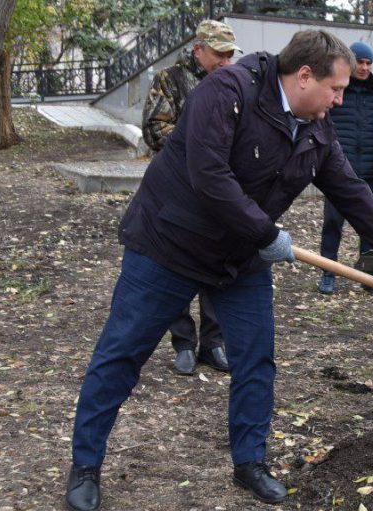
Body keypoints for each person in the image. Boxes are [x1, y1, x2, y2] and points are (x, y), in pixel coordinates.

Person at [64, 30, 373, 511]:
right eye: (335, 89)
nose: (340, 99)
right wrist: (263, 231)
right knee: (123, 353)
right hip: (169, 244)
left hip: (239, 259)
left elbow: (351, 189)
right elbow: (208, 175)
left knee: (255, 359)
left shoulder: (316, 126)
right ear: (303, 77)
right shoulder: (227, 91)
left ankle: (249, 463)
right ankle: (85, 465)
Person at [141, 19, 239, 375]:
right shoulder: (170, 79)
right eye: (219, 53)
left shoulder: (234, 82)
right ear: (198, 49)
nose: (226, 61)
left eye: (231, 54)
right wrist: (200, 150)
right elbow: (154, 128)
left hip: (218, 190)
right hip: (178, 188)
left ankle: (214, 344)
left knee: (215, 265)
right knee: (176, 264)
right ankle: (183, 342)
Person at [317, 41, 373, 294]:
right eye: (360, 61)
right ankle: (328, 271)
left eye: (369, 63)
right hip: (337, 169)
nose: (364, 67)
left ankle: (369, 275)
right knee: (333, 223)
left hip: (370, 170)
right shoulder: (336, 90)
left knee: (370, 223)